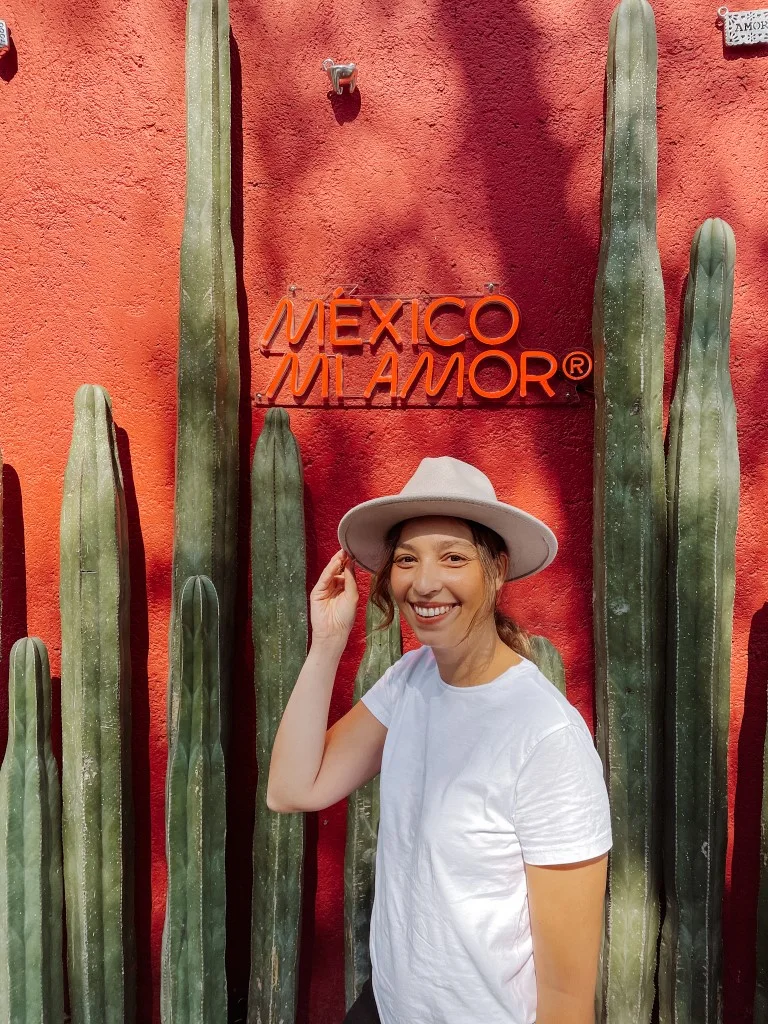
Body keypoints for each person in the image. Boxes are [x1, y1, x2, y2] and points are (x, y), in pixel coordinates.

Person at [266, 456, 612, 1024]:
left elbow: (568, 998)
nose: (424, 583)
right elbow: (292, 788)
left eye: (453, 558)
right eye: (407, 559)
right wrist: (327, 643)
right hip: (388, 1009)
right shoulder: (410, 679)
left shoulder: (546, 738)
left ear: (496, 571)